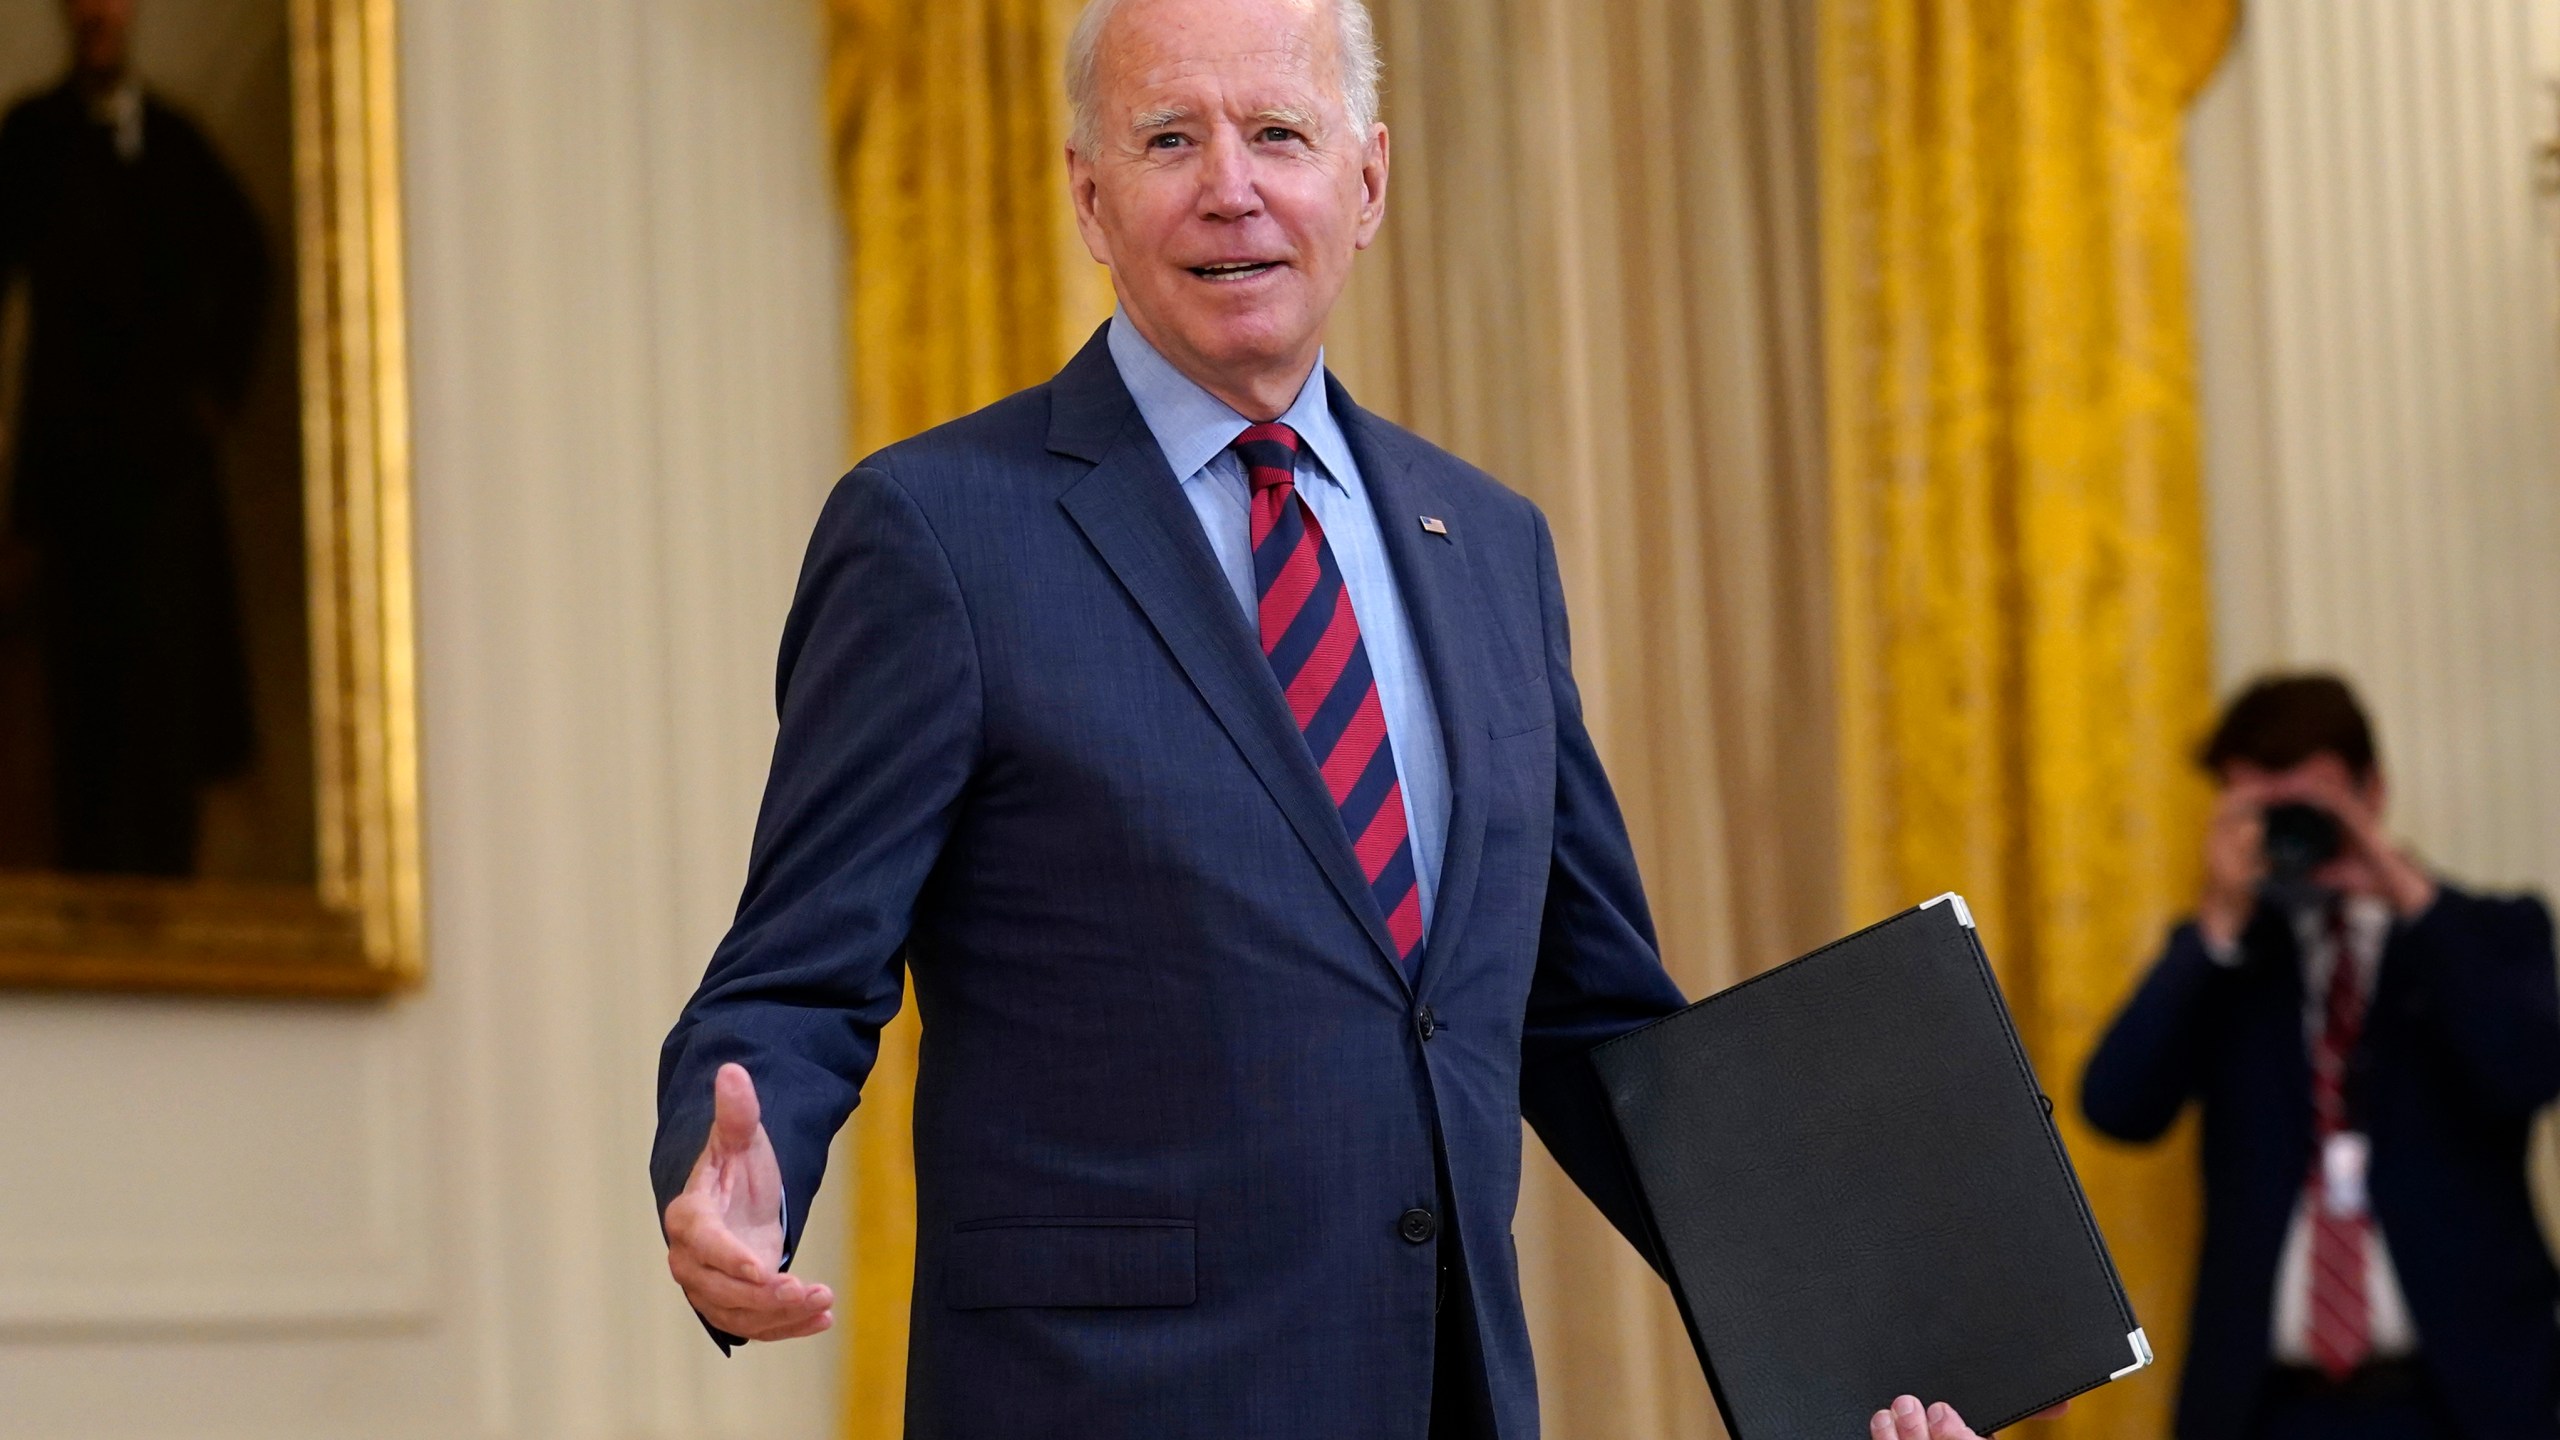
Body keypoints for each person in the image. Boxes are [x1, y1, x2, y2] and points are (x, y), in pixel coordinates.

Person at [652, 2, 2002, 1437]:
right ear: (1089, 195)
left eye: (1279, 134)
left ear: (1366, 182)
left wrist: (1867, 1355)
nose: (1230, 185)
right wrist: (738, 1170)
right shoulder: (938, 533)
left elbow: (1596, 1022)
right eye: (1170, 138)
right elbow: (796, 977)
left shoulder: (1489, 543)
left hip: (1442, 1398)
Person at [2083, 674, 2560, 1440]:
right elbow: (2116, 1106)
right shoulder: (2228, 963)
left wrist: (2393, 879)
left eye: (2311, 801)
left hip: (2467, 1404)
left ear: (2372, 792)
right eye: (2261, 808)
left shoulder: (2489, 932)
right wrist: (2216, 923)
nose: (2291, 827)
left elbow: (2527, 1069)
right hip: (2268, 1410)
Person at [0, 0, 264, 876]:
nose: (96, 17)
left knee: (167, 712)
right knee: (81, 716)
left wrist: (214, 396)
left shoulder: (180, 146)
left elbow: (249, 263)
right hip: (70, 491)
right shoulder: (30, 139)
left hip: (165, 490)